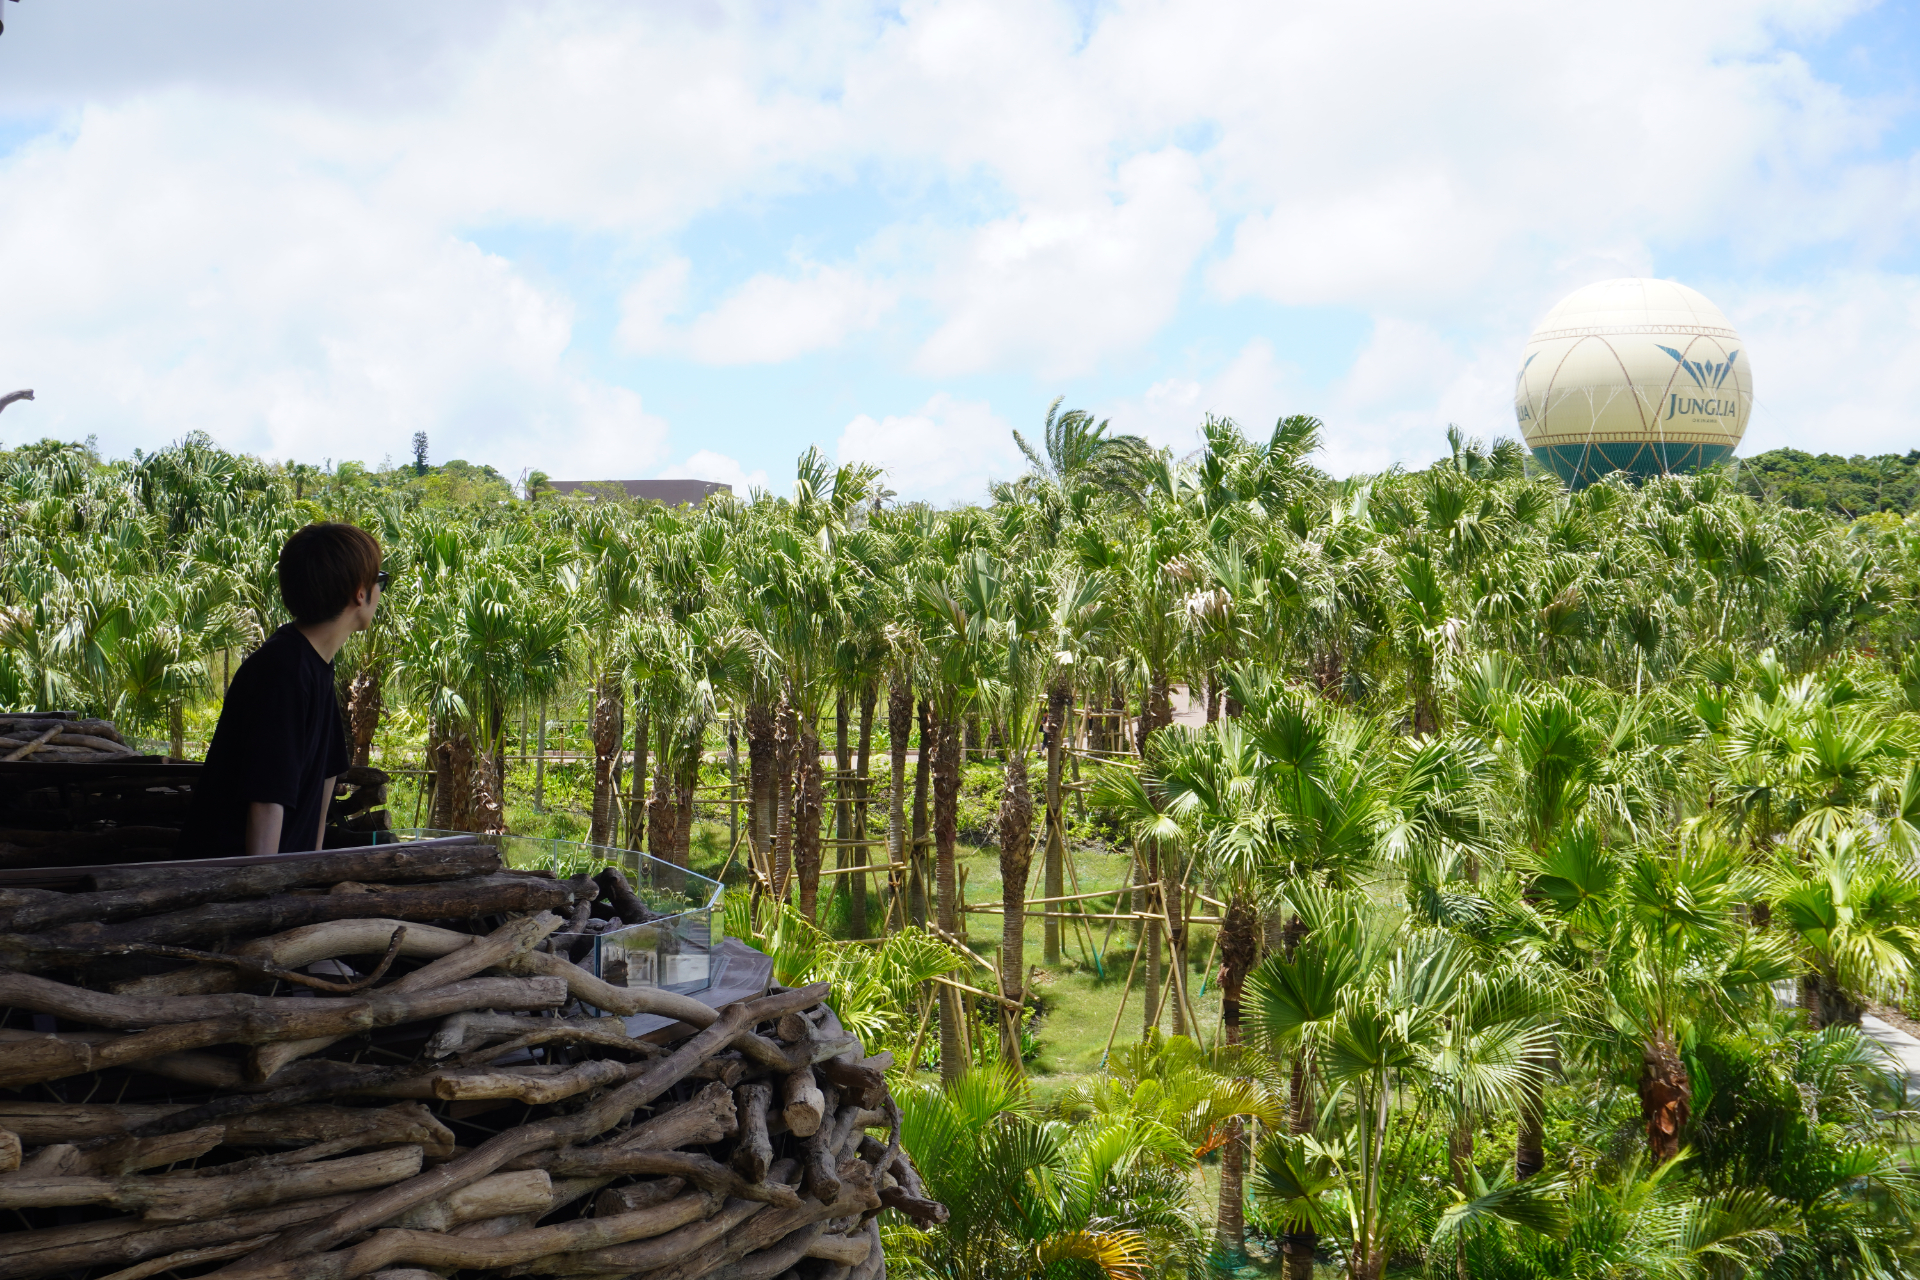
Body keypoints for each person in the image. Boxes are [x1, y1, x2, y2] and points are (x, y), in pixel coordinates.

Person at [176, 523, 385, 856]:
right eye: (380, 581)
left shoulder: (314, 664)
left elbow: (325, 782)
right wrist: (266, 899)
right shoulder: (283, 672)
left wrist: (308, 873)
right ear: (360, 593)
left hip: (272, 887)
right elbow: (266, 801)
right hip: (230, 893)